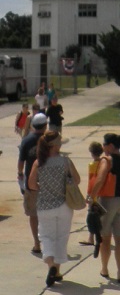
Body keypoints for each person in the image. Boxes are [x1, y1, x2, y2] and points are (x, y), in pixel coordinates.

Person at [28, 129, 81, 286]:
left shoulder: (39, 163)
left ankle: (51, 266)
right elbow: (77, 180)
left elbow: (31, 184)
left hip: (45, 205)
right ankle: (56, 270)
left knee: (46, 237)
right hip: (64, 204)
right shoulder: (65, 161)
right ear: (55, 145)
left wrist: (43, 187)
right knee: (61, 237)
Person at [88, 132, 120, 283]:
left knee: (105, 238)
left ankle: (105, 269)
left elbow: (100, 180)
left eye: (105, 145)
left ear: (111, 146)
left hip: (108, 200)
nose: (103, 147)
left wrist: (92, 197)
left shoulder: (107, 160)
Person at [17, 111, 49, 255]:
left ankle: (37, 243)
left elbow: (21, 162)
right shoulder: (49, 140)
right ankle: (49, 242)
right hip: (49, 182)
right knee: (48, 213)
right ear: (45, 125)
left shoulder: (26, 140)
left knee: (33, 214)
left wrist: (20, 176)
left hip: (31, 182)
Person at [79, 142, 104, 247]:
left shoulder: (92, 165)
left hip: (94, 193)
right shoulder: (104, 163)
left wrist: (89, 194)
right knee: (100, 216)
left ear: (92, 153)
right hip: (103, 193)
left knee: (91, 215)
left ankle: (91, 238)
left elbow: (91, 181)